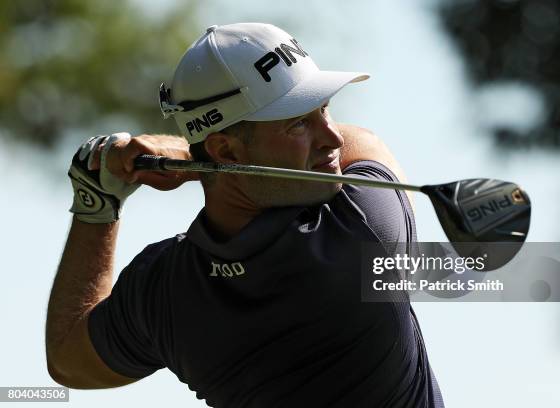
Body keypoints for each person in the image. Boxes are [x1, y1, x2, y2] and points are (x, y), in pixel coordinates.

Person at [45, 23, 445, 407]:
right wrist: (186, 155)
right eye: (299, 124)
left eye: (324, 110)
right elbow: (366, 144)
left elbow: (67, 360)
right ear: (227, 152)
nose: (332, 137)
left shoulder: (165, 293)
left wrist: (96, 204)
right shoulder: (361, 228)